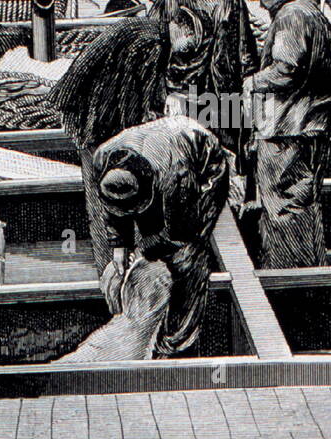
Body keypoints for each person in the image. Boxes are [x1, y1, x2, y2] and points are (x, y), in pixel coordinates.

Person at [91, 114, 230, 357]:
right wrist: (120, 247)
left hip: (204, 166)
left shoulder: (176, 177)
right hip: (162, 155)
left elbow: (179, 232)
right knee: (155, 243)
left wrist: (152, 250)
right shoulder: (102, 158)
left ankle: (175, 341)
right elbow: (114, 212)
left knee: (188, 256)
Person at [50, 17, 169, 273]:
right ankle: (115, 276)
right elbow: (132, 107)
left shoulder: (143, 29)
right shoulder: (153, 44)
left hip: (91, 118)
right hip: (101, 126)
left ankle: (113, 268)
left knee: (104, 198)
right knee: (111, 198)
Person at [245, 0, 331, 268]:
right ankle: (310, 270)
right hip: (312, 124)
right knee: (304, 201)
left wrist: (252, 81)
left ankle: (287, 274)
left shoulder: (290, 15)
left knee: (283, 204)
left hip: (286, 128)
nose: (261, 3)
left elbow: (286, 69)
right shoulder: (313, 13)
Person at [149, 0, 258, 146]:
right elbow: (153, 51)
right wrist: (159, 97)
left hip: (225, 93)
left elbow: (245, 50)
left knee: (228, 153)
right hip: (182, 94)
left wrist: (249, 90)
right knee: (184, 153)